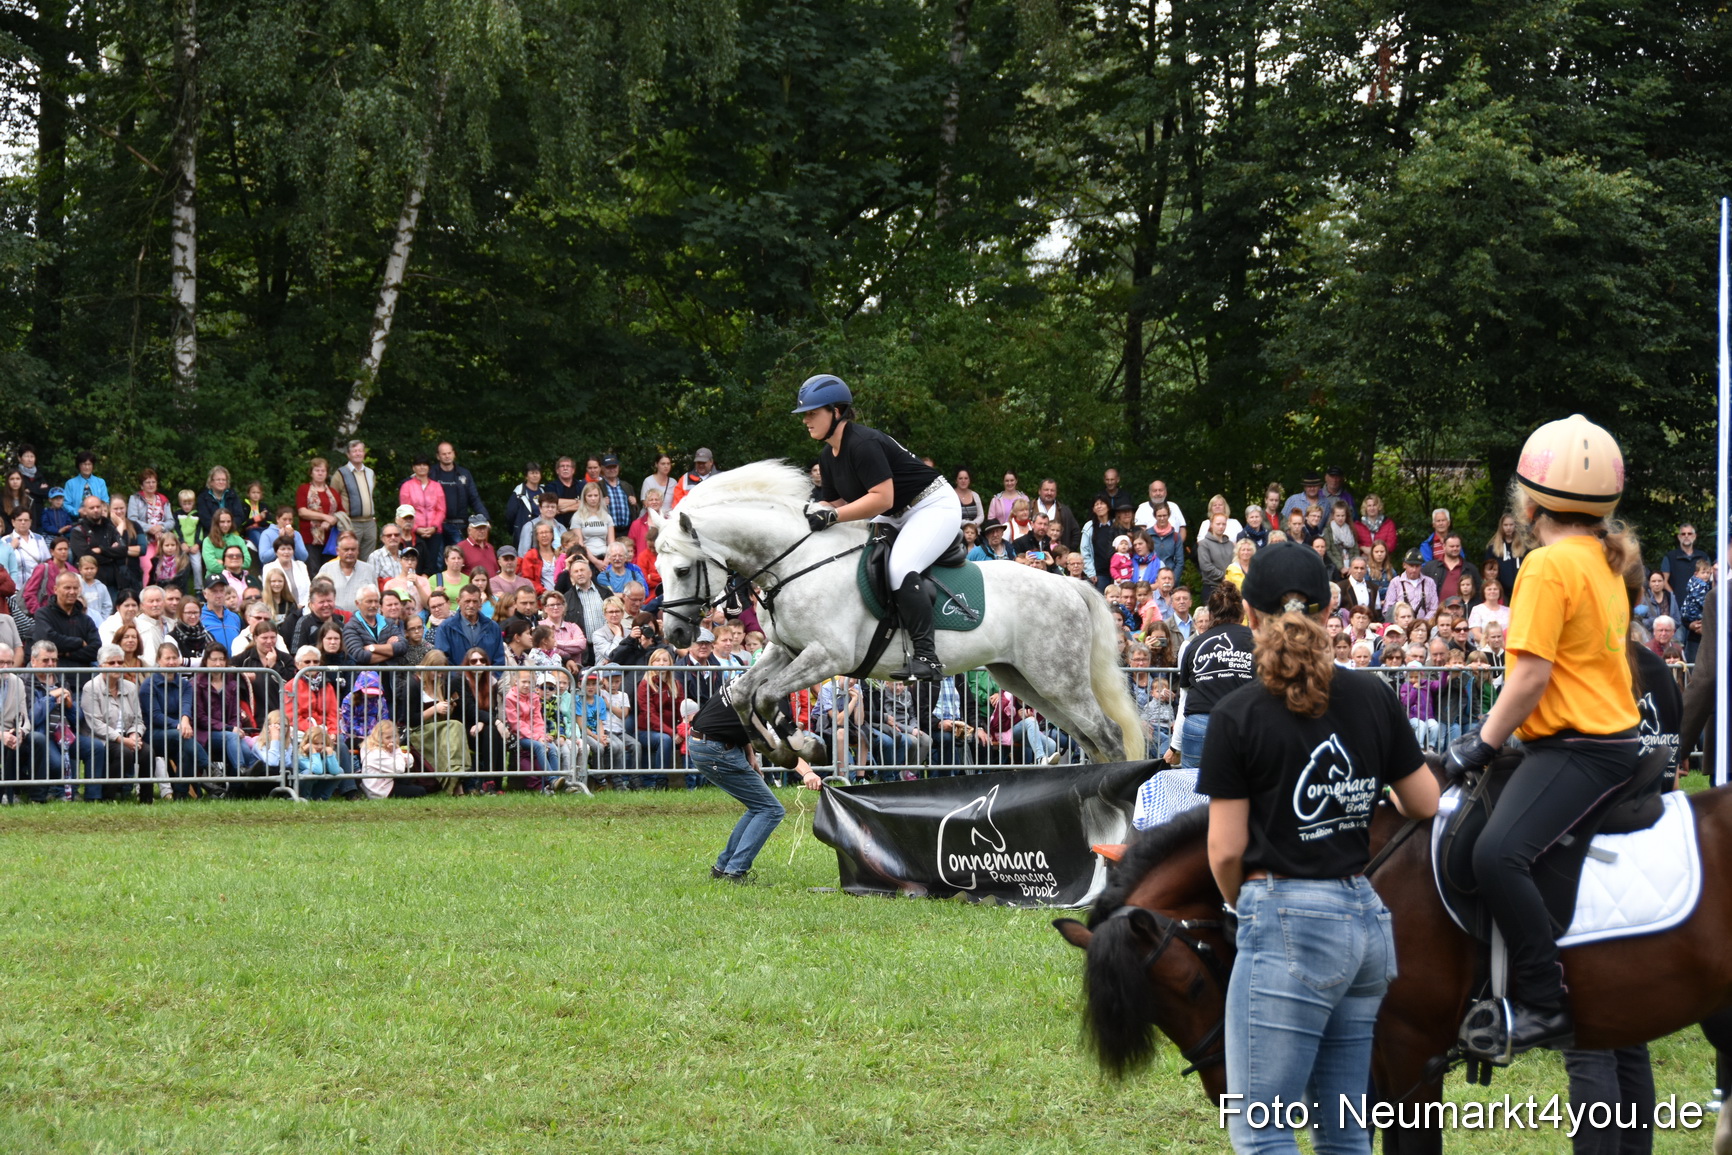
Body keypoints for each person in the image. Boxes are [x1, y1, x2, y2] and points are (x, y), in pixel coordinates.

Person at [1197, 540, 1438, 1155]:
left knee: (1263, 1128)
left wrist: (1240, 902)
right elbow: (1425, 802)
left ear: (1248, 617)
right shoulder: (1374, 696)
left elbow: (1224, 850)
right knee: (1345, 1129)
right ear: (1331, 613)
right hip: (1364, 923)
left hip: (1284, 918)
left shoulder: (1236, 714)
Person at [1444, 414, 1641, 1055]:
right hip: (1603, 741)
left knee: (1496, 853)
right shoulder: (1603, 559)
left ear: (1528, 504)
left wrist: (1480, 744)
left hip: (1579, 747)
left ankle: (1543, 1004)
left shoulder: (1546, 565)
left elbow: (1529, 677)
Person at [796, 373, 960, 681]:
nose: (806, 420)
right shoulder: (827, 455)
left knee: (901, 567)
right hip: (896, 512)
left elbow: (882, 498)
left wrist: (833, 515)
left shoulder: (863, 443)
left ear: (837, 411)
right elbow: (836, 501)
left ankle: (927, 657)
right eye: (804, 414)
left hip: (931, 505)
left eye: (812, 413)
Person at [689, 675, 820, 881]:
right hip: (715, 750)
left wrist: (750, 754)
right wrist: (807, 773)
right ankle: (734, 871)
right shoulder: (774, 697)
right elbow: (781, 746)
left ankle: (723, 868)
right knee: (771, 810)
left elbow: (735, 718)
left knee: (759, 807)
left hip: (706, 744)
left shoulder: (750, 677)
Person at [431, 441, 488, 551]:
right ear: (438, 456)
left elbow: (474, 498)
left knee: (458, 557)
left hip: (458, 525)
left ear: (454, 454)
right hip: (436, 525)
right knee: (437, 562)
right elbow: (409, 485)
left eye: (449, 453)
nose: (447, 456)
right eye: (444, 454)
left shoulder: (464, 474)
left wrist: (485, 518)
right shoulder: (431, 473)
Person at [334, 439, 381, 557]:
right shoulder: (340, 474)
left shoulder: (370, 473)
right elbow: (333, 497)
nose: (358, 453)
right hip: (350, 523)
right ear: (348, 454)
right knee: (349, 556)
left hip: (369, 522)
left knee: (369, 558)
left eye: (360, 450)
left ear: (364, 453)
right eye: (354, 451)